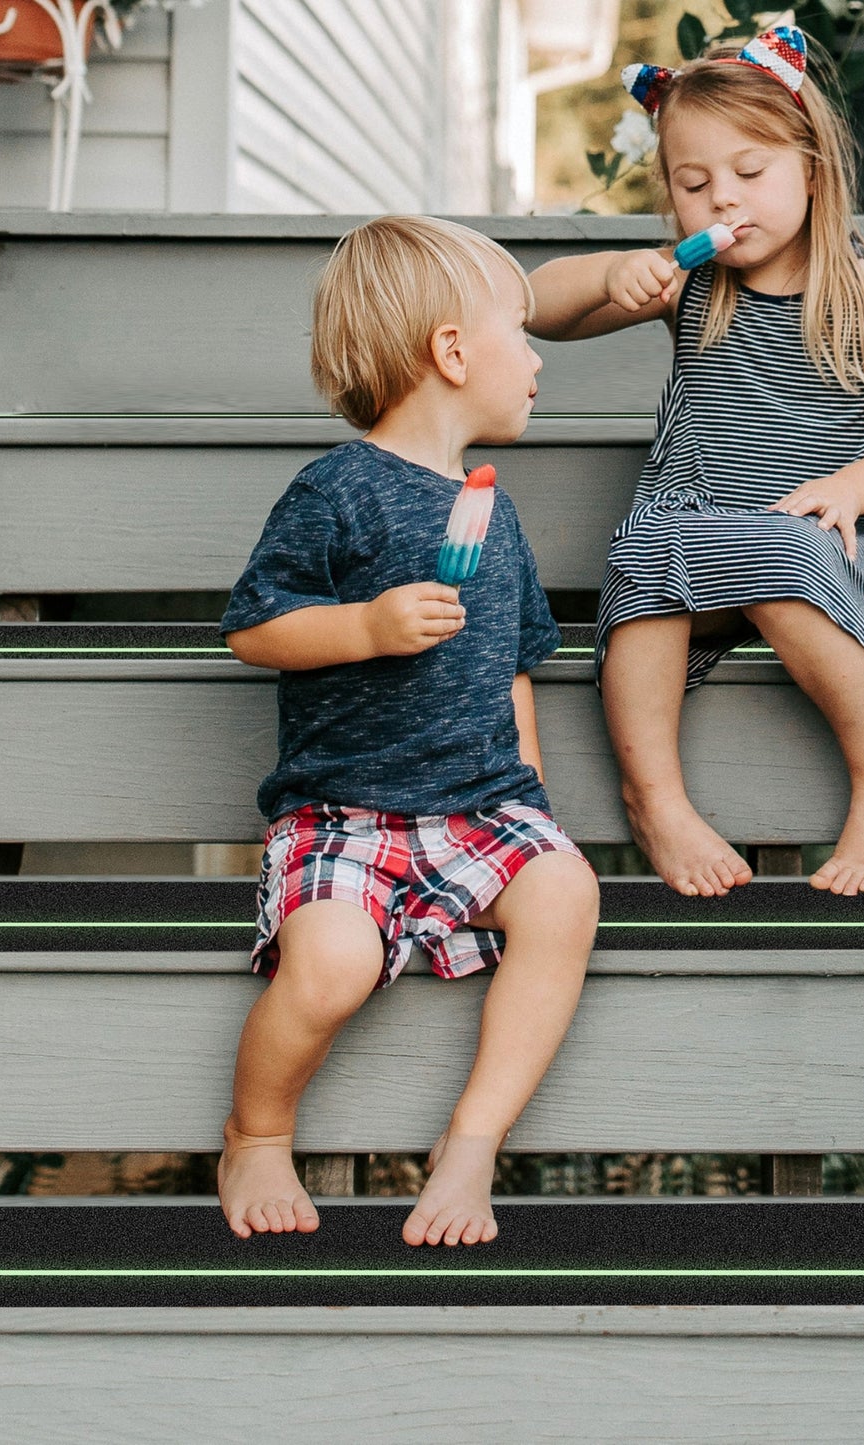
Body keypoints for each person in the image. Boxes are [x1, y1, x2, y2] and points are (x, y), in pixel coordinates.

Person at [216, 215, 599, 1249]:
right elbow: (255, 627)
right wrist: (365, 625)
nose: (535, 359)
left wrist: (529, 797)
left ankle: (472, 1140)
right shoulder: (337, 489)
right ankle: (256, 1129)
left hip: (478, 806)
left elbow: (516, 664)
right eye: (522, 334)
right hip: (345, 813)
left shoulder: (495, 515)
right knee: (332, 964)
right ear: (450, 351)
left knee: (566, 890)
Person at [528, 25, 864, 900]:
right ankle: (656, 799)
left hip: (807, 547)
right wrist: (613, 275)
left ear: (810, 167)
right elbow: (533, 307)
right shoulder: (691, 285)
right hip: (688, 535)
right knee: (641, 561)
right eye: (694, 184)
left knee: (777, 552)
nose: (721, 200)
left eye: (749, 174)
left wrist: (846, 491)